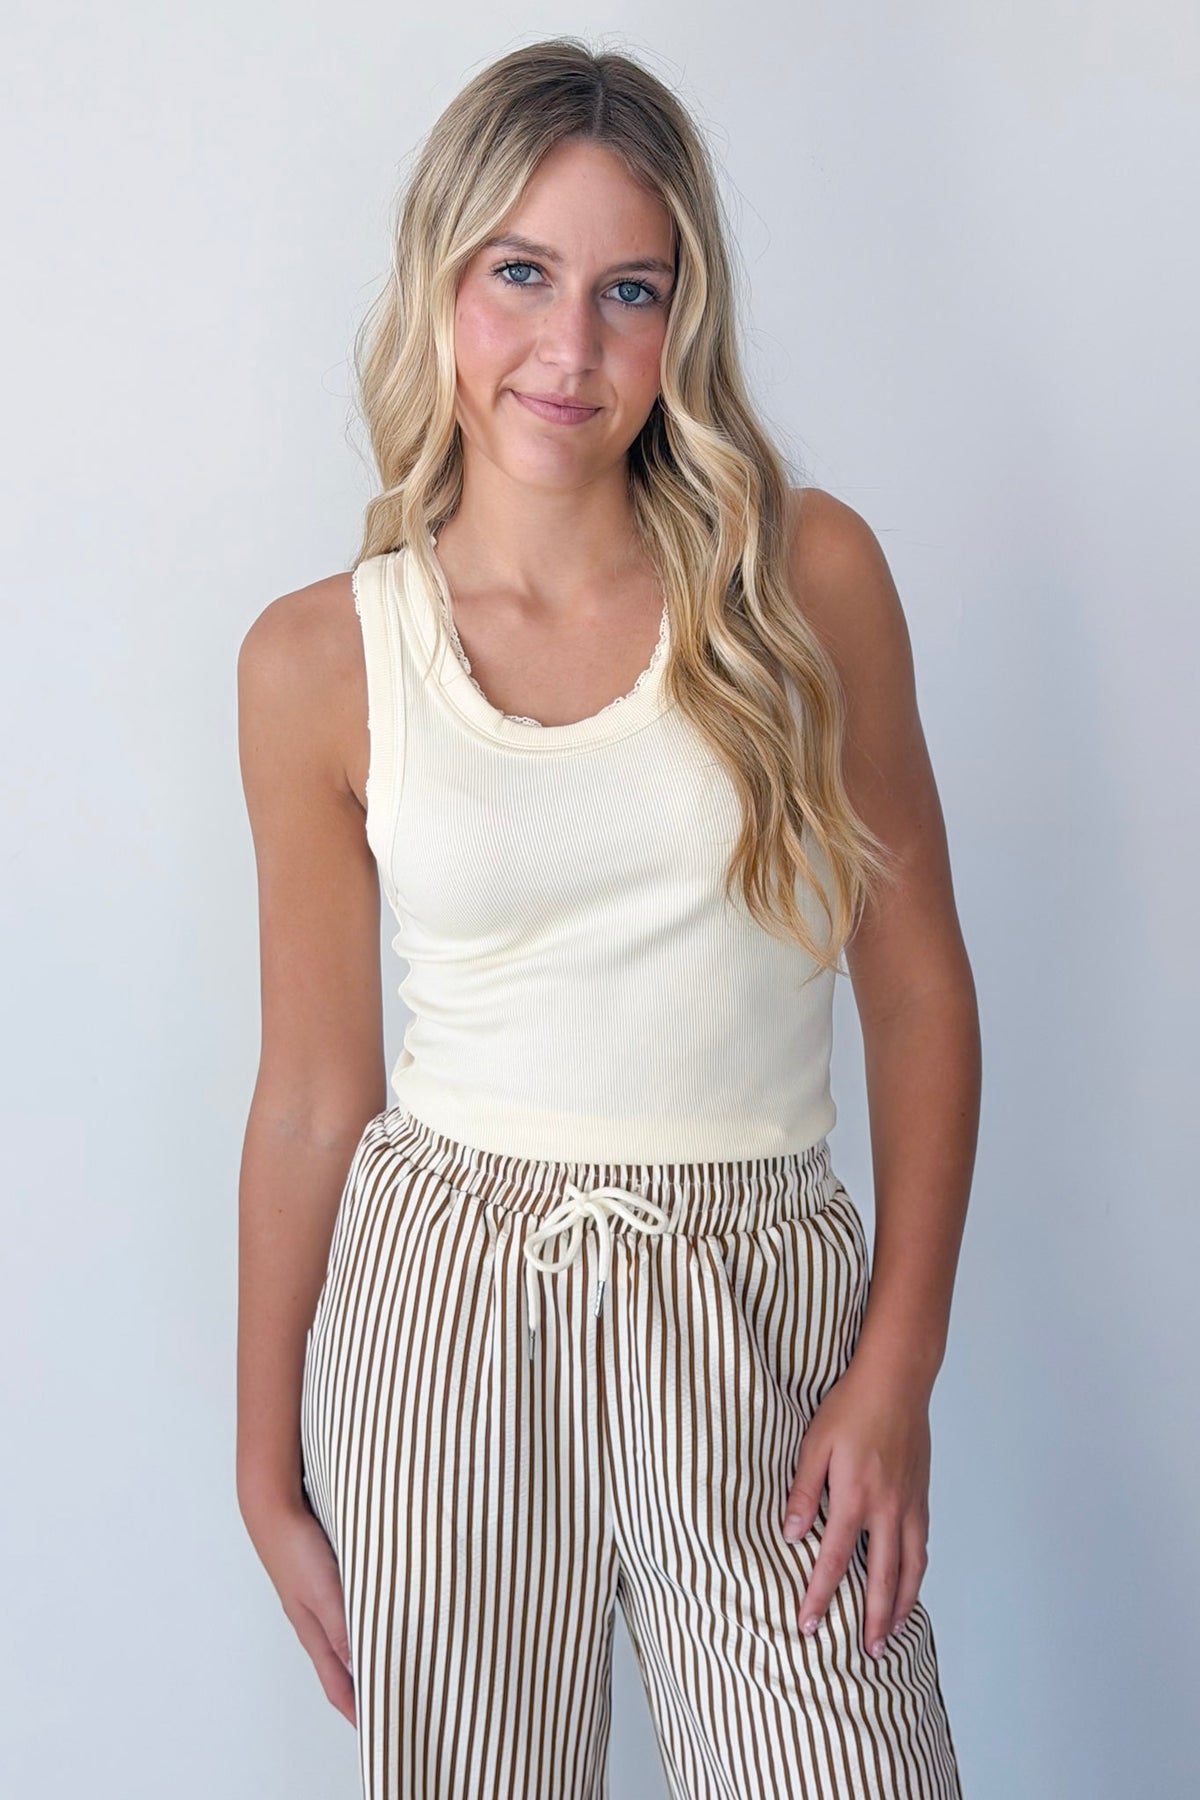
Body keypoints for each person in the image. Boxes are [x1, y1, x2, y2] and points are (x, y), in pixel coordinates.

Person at [235, 36, 977, 1800]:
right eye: (522, 274)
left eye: (628, 290)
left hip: (755, 1305)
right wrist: (261, 1466)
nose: (569, 349)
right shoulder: (322, 658)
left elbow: (920, 991)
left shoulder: (806, 581)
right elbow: (316, 1093)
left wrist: (898, 1368)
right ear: (441, 281)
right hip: (452, 1314)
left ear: (681, 318)